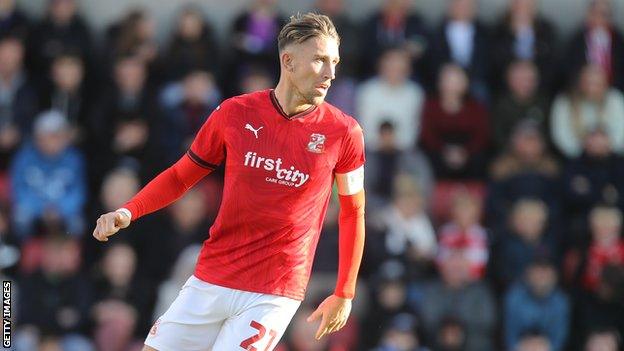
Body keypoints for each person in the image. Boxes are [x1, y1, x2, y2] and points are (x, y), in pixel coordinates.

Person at [92, 13, 366, 351]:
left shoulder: (344, 132)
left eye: (334, 62)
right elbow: (181, 176)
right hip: (213, 275)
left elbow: (353, 212)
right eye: (320, 60)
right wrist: (129, 211)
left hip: (273, 290)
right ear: (288, 61)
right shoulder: (234, 114)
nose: (330, 73)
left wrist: (345, 292)